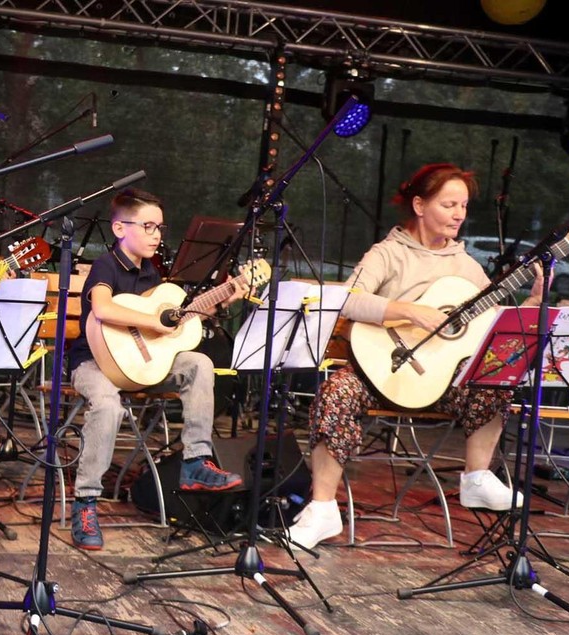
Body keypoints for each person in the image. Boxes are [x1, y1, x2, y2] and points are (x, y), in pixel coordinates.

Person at [286, 163, 543, 550]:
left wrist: (531, 306)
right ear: (420, 205)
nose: (459, 214)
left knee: (493, 378)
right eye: (449, 204)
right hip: (378, 374)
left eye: (464, 206)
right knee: (335, 392)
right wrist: (408, 311)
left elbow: (487, 330)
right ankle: (322, 510)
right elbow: (349, 301)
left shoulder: (467, 266)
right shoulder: (388, 253)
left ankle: (476, 479)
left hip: (435, 381)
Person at [66, 188, 246, 551]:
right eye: (148, 226)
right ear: (119, 229)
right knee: (107, 404)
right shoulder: (106, 266)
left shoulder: (154, 276)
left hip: (140, 367)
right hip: (93, 363)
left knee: (199, 362)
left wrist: (220, 299)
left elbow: (173, 323)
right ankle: (85, 502)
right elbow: (102, 309)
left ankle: (195, 461)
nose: (156, 235)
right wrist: (153, 320)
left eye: (160, 228)